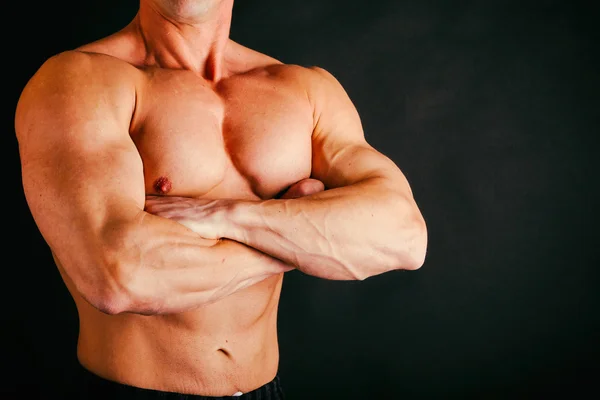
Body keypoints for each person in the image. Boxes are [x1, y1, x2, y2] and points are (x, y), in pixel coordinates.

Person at [14, 0, 428, 398]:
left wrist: (229, 217)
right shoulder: (79, 80)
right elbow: (117, 276)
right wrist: (297, 246)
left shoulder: (306, 90)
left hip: (266, 390)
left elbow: (404, 236)